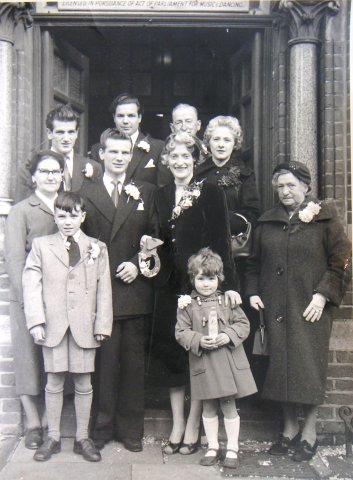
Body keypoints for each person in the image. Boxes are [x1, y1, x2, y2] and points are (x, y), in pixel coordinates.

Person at [245, 161, 351, 462]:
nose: (285, 191)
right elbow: (253, 263)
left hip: (310, 307)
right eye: (280, 186)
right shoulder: (267, 222)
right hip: (274, 306)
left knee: (307, 367)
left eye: (291, 185)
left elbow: (342, 261)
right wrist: (252, 292)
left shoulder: (325, 219)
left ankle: (309, 433)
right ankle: (288, 430)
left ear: (306, 186)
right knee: (280, 367)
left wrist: (322, 296)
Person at [150, 131, 240, 456]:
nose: (179, 162)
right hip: (168, 287)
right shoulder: (160, 195)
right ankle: (177, 424)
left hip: (202, 287)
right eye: (173, 156)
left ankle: (193, 426)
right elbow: (156, 239)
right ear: (166, 161)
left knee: (199, 357)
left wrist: (227, 287)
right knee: (173, 357)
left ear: (195, 160)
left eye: (185, 157)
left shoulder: (210, 192)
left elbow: (222, 239)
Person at [79, 128, 159, 452]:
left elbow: (156, 237)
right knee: (104, 364)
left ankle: (130, 430)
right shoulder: (86, 192)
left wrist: (137, 264)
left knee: (132, 365)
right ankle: (102, 427)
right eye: (112, 152)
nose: (119, 157)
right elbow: (80, 241)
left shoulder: (146, 191)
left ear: (131, 155)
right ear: (101, 154)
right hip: (101, 293)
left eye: (124, 153)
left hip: (133, 289)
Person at [22, 192, 113, 463]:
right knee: (54, 381)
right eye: (61, 216)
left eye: (73, 215)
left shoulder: (97, 247)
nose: (67, 221)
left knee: (84, 382)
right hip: (53, 325)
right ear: (55, 217)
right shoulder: (41, 246)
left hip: (85, 325)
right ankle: (53, 436)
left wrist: (102, 323)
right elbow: (31, 284)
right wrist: (37, 320)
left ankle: (82, 437)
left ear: (82, 217)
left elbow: (104, 288)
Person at [5, 150, 65, 450]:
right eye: (45, 171)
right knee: (28, 358)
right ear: (34, 177)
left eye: (56, 171)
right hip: (30, 297)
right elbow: (15, 259)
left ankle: (49, 419)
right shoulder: (21, 211)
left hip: (61, 297)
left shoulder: (69, 206)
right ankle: (32, 422)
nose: (51, 176)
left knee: (52, 359)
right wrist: (28, 302)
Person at [175, 248, 257, 469]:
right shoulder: (187, 305)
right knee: (208, 406)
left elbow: (243, 324)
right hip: (203, 363)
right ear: (193, 279)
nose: (206, 284)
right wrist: (198, 341)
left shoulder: (227, 301)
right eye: (201, 279)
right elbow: (180, 332)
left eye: (211, 278)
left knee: (228, 405)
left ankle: (232, 447)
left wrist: (226, 336)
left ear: (219, 278)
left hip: (226, 362)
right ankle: (212, 446)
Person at [196, 115, 260, 279]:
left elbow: (252, 213)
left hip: (233, 250)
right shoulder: (197, 174)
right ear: (209, 142)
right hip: (201, 248)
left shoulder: (245, 174)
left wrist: (224, 220)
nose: (221, 145)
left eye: (227, 140)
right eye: (216, 139)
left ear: (235, 143)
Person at [17, 105, 102, 201]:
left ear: (77, 133)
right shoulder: (30, 167)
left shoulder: (95, 168)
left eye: (70, 132)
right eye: (60, 132)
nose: (66, 139)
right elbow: (23, 206)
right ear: (49, 133)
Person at [90, 93, 168, 186]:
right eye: (120, 116)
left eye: (131, 116)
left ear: (139, 118)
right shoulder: (97, 149)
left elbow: (162, 189)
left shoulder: (158, 148)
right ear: (114, 117)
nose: (125, 121)